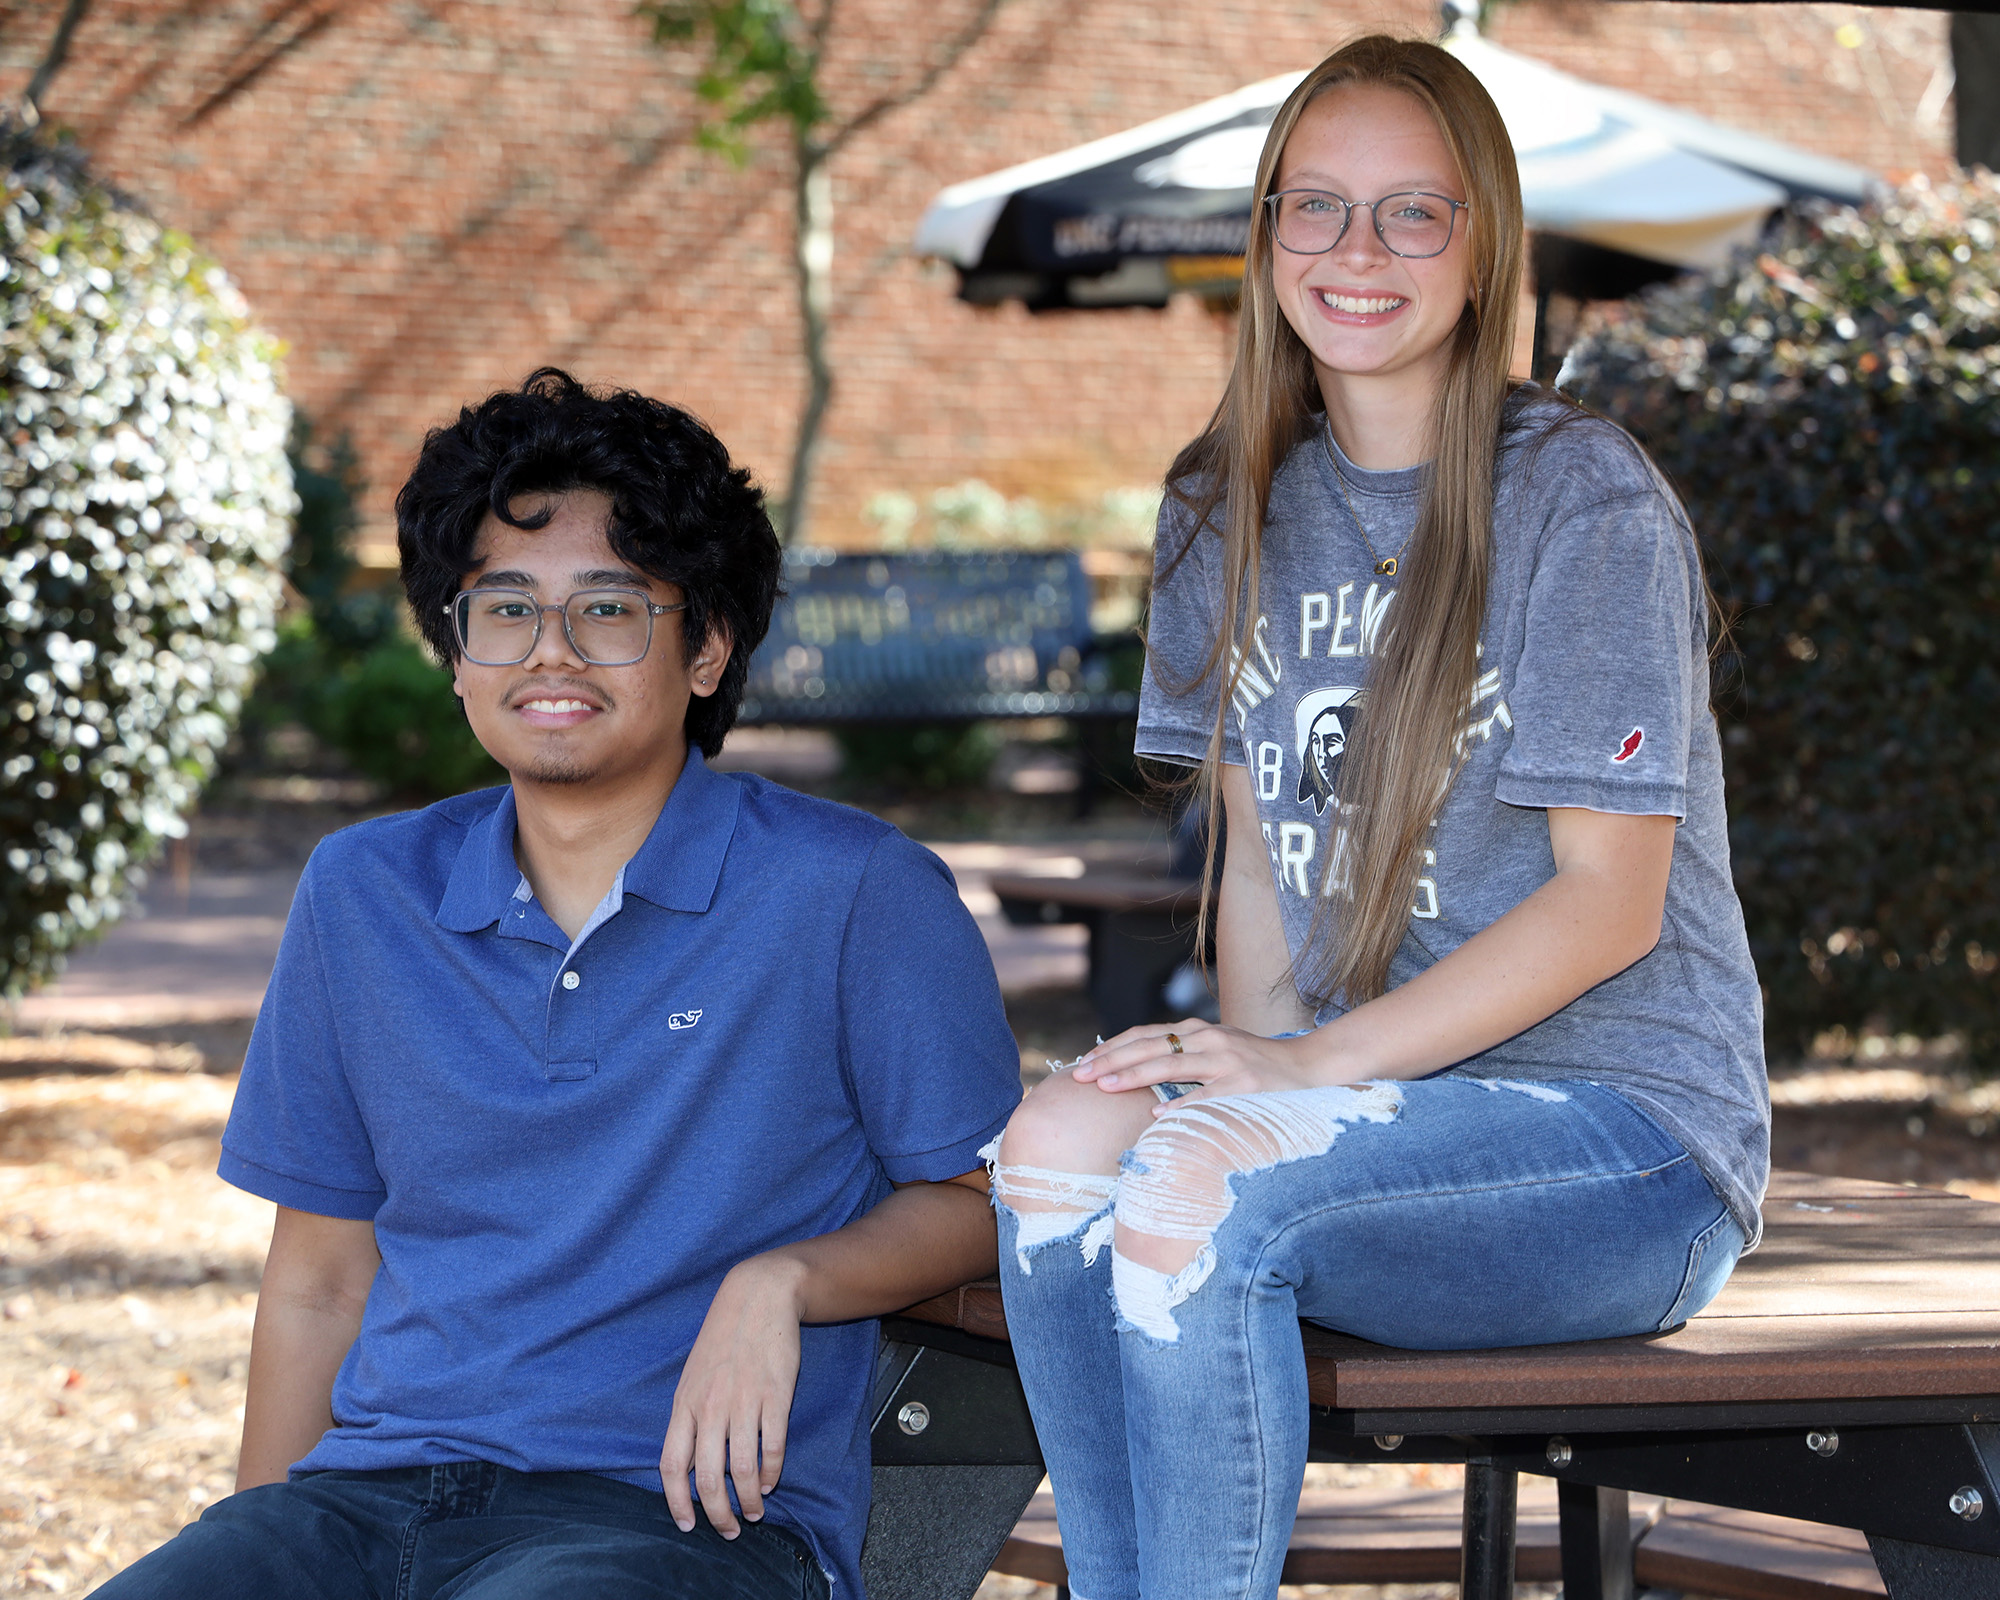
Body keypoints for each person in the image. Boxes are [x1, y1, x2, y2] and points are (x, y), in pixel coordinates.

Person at [986, 36, 1769, 1600]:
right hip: (1370, 1114)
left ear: (1483, 247)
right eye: (1317, 206)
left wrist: (1299, 1077)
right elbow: (1263, 870)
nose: (1358, 251)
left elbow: (1609, 903)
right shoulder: (1224, 502)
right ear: (1268, 229)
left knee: (1200, 1184)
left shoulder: (1582, 500)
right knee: (1059, 1138)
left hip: (1626, 1145)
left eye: (1414, 212)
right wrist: (1246, 1069)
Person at [100, 370, 1023, 1600]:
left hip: (676, 1529)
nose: (550, 649)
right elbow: (319, 1280)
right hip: (366, 1504)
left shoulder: (852, 889)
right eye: (503, 608)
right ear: (454, 650)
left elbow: (987, 1199)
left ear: (706, 648)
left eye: (608, 608)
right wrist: (263, 1543)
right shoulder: (362, 891)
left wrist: (785, 1279)